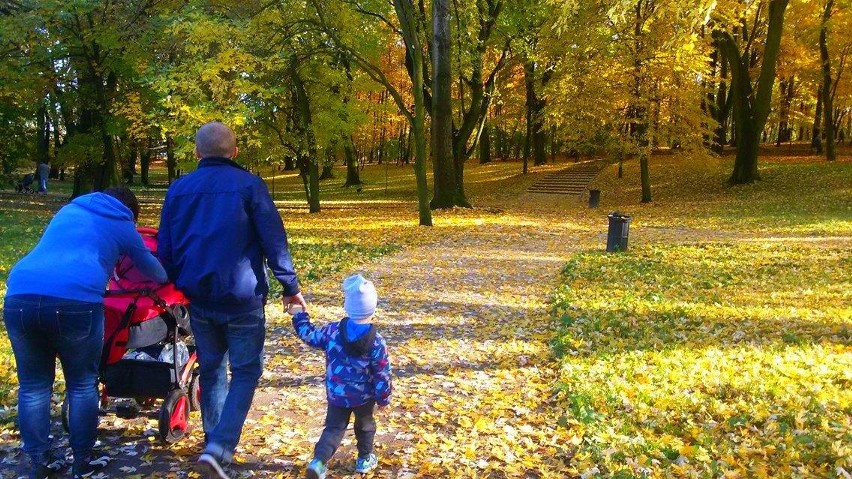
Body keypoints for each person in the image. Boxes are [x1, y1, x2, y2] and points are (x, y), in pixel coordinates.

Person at [157, 122, 306, 479]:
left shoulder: (179, 189)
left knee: (211, 369)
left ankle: (214, 442)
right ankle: (219, 447)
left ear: (197, 153)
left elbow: (166, 247)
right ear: (234, 152)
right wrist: (290, 286)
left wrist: (177, 283)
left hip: (199, 297)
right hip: (243, 298)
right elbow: (274, 239)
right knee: (246, 371)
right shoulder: (250, 186)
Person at [3, 186, 168, 479]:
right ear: (131, 212)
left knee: (34, 386)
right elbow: (155, 273)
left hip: (20, 295)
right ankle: (83, 460)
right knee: (81, 384)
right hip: (75, 302)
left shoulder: (69, 210)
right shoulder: (123, 223)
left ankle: (38, 461)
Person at [291, 274, 392, 479]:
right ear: (373, 309)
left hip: (337, 394)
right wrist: (383, 398)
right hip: (364, 397)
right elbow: (382, 373)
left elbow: (310, 336)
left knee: (334, 428)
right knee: (365, 426)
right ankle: (364, 458)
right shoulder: (376, 342)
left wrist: (300, 316)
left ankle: (318, 462)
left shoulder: (332, 331)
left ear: (347, 306)